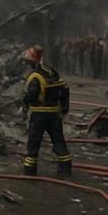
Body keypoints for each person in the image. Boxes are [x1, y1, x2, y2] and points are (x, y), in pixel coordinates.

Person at [21, 45, 72, 176]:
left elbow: (31, 94)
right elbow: (64, 89)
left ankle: (30, 171)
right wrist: (65, 107)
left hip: (39, 114)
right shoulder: (52, 72)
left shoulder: (35, 76)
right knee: (58, 140)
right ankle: (65, 169)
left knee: (34, 141)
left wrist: (25, 102)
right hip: (55, 113)